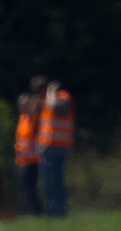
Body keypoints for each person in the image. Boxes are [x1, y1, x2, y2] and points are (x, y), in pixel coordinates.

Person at [36, 79, 75, 217]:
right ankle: (52, 210)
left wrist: (51, 91)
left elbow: (55, 107)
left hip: (58, 147)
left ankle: (58, 211)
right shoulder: (47, 100)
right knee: (48, 181)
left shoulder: (63, 97)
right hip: (48, 147)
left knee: (54, 181)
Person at [14, 91, 44, 215]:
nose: (24, 107)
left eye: (26, 104)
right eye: (21, 104)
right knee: (26, 188)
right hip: (23, 160)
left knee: (33, 188)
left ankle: (38, 212)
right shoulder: (22, 119)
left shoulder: (35, 119)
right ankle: (35, 212)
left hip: (34, 160)